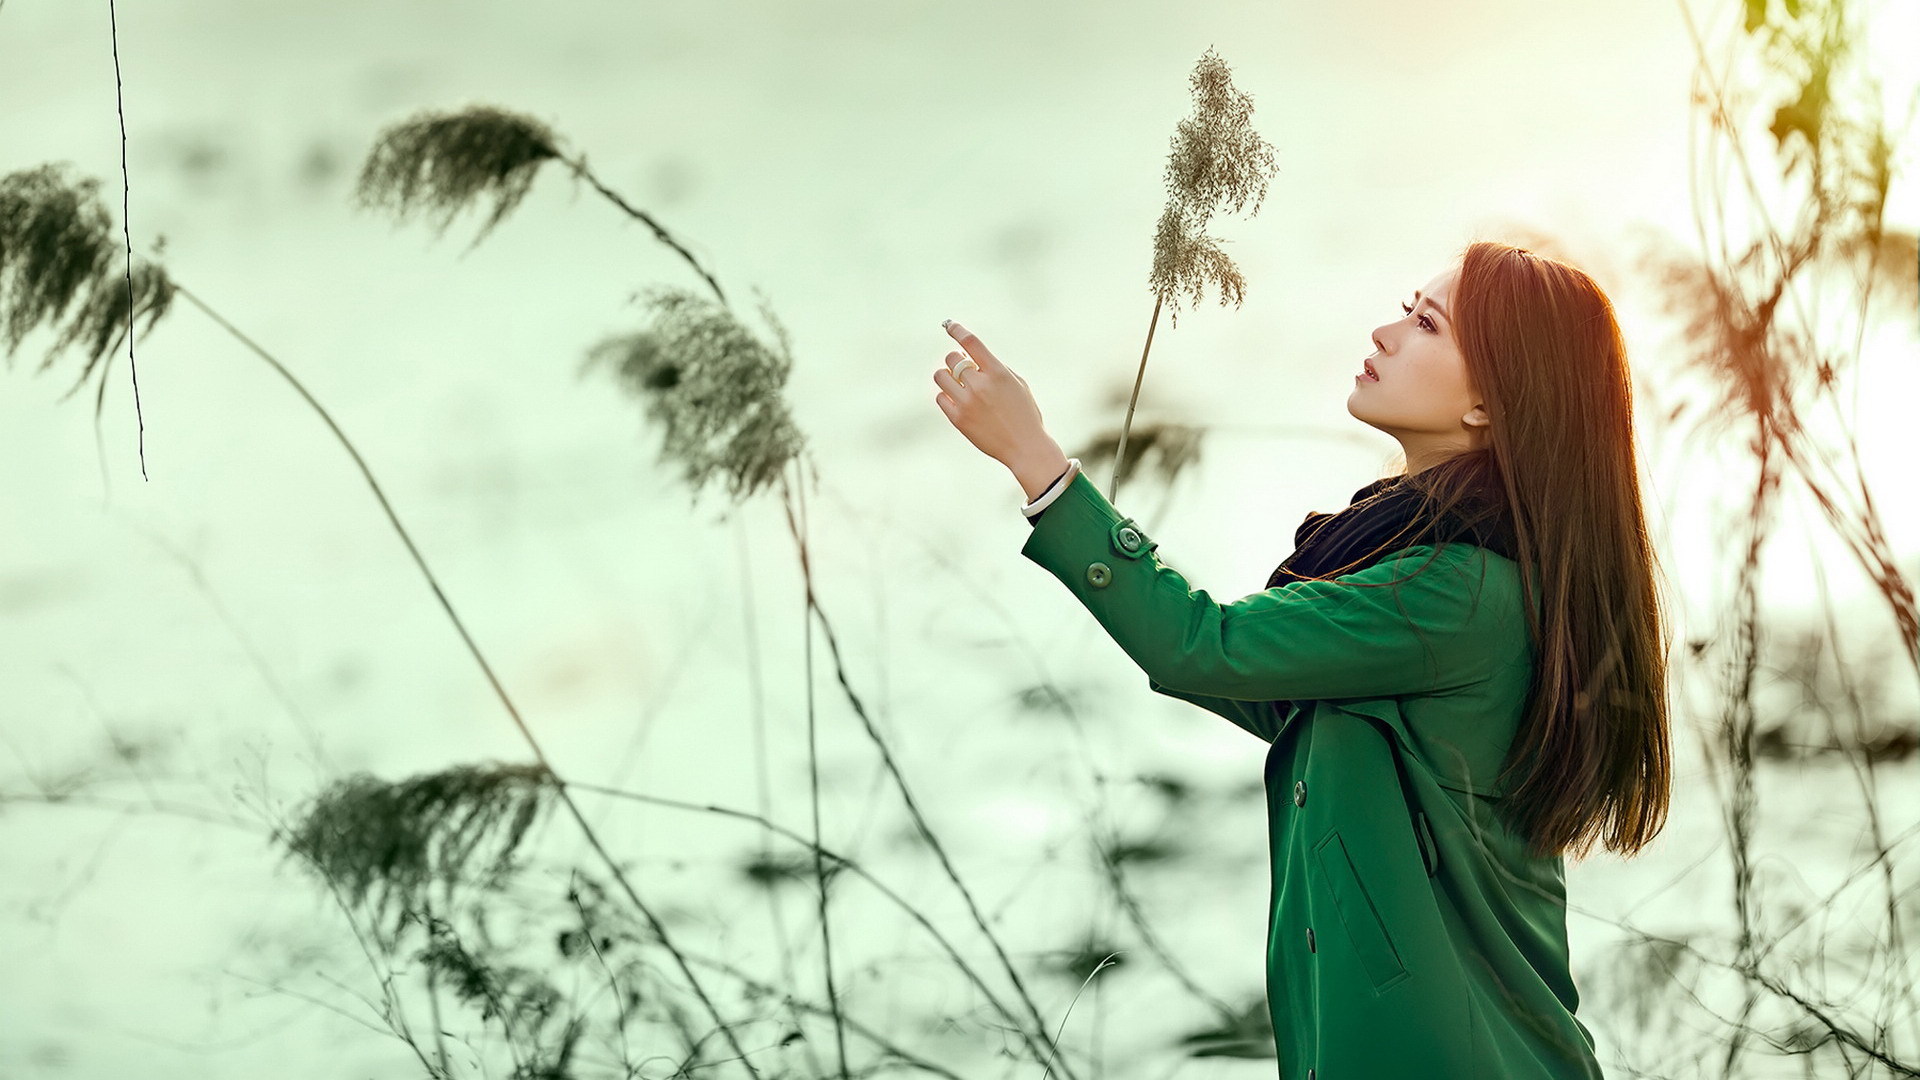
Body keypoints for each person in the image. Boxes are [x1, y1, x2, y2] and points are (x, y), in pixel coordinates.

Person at [931, 240, 1672, 1079]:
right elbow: (1260, 685)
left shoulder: (1455, 591)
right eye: (1406, 307)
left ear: (1490, 409)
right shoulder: (1433, 563)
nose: (1387, 333)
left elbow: (1203, 646)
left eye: (1427, 324)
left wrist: (1040, 466)